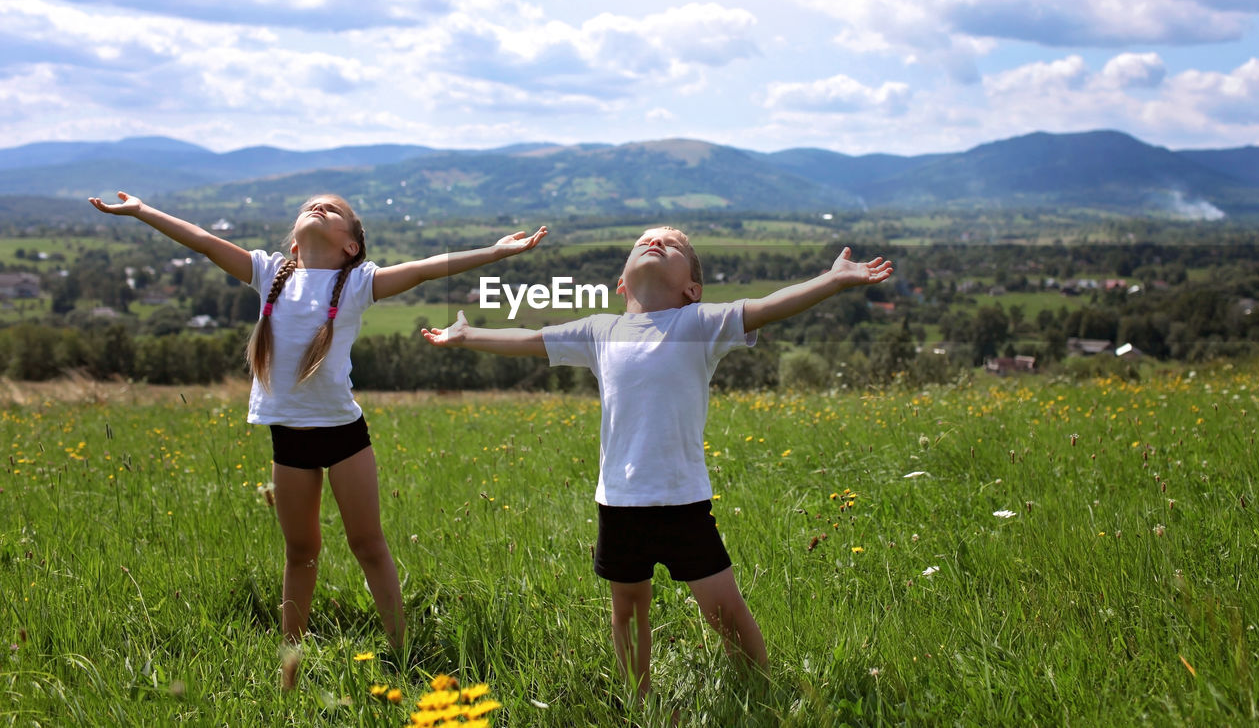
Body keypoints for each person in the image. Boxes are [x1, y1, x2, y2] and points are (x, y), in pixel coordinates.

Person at [89, 190, 547, 688]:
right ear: (294, 241)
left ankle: (401, 649)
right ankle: (290, 663)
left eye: (334, 210)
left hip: (344, 436)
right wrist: (141, 211)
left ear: (351, 245)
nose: (319, 208)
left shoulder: (357, 283)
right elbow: (202, 241)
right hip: (288, 442)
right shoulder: (268, 273)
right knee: (300, 551)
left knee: (368, 543)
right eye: (313, 205)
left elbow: (426, 268)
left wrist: (497, 252)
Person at [421, 226, 893, 700]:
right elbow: (530, 340)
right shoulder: (598, 331)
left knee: (724, 610)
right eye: (643, 242)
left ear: (693, 288)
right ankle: (639, 700)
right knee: (626, 610)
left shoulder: (699, 325)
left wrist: (832, 280)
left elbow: (771, 305)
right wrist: (466, 336)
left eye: (672, 246)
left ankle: (761, 691)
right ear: (622, 283)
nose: (654, 244)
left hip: (682, 501)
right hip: (619, 503)